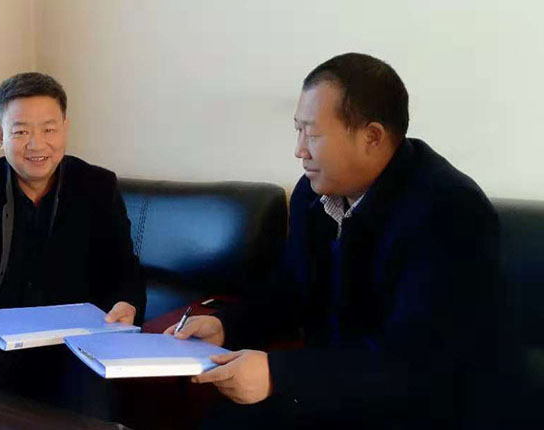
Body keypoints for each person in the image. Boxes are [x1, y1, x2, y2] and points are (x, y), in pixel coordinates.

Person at [167, 53, 501, 428]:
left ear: (372, 137)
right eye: (297, 130)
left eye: (312, 134)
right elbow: (292, 291)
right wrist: (227, 325)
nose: (299, 150)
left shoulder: (450, 210)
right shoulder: (313, 195)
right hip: (340, 391)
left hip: (421, 408)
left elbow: (415, 362)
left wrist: (279, 374)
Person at [0, 72, 146, 419]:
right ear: (0, 136)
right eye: (21, 131)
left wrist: (127, 303)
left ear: (65, 129)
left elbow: (125, 268)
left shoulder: (98, 186)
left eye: (49, 129)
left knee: (90, 413)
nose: (37, 145)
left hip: (77, 349)